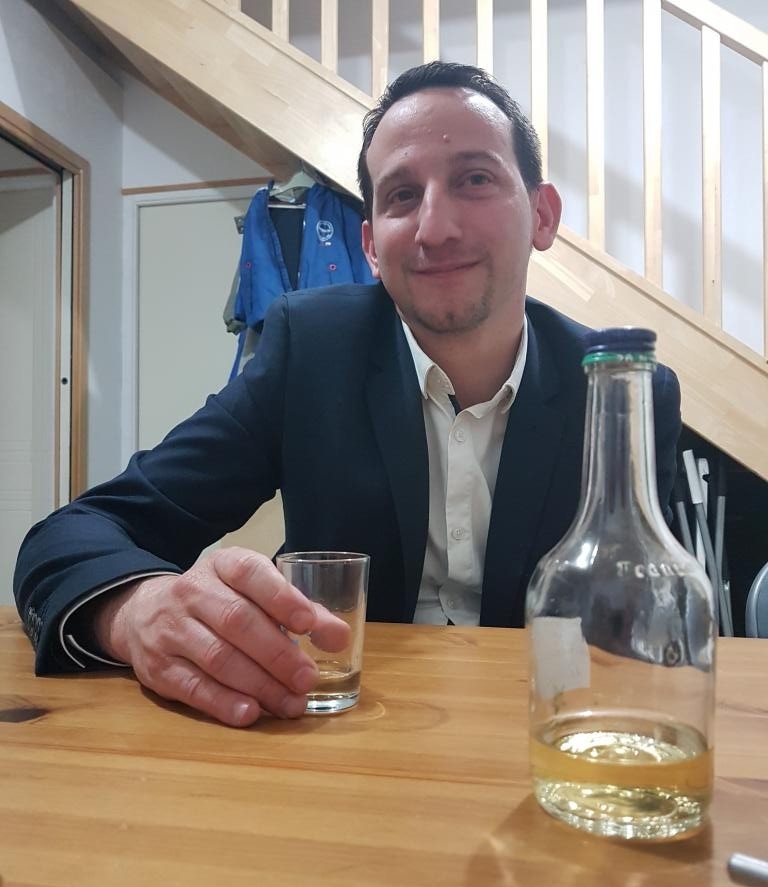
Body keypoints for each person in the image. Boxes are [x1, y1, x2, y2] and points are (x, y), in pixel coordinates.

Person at [14, 61, 681, 728]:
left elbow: (648, 621)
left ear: (542, 215)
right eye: (401, 195)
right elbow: (75, 534)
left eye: (475, 180)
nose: (435, 228)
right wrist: (136, 610)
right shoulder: (310, 351)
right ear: (370, 246)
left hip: (546, 730)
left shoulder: (624, 392)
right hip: (336, 730)